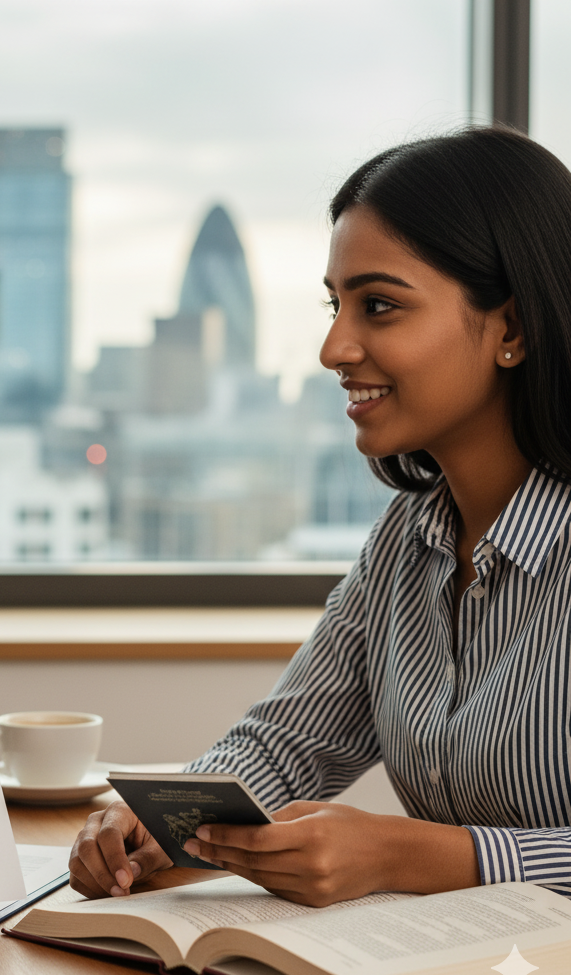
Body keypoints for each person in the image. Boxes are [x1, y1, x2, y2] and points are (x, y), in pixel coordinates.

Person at [71, 126, 571, 906]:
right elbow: (287, 745)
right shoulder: (407, 543)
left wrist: (418, 857)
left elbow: (418, 856)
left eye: (379, 306)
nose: (334, 347)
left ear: (511, 326)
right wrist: (169, 822)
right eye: (335, 306)